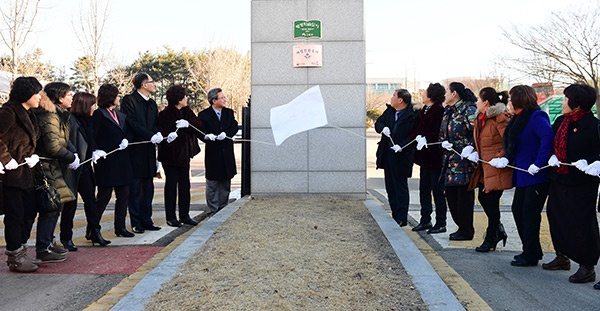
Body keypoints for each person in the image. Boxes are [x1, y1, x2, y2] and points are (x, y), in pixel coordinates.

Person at [490, 85, 553, 267]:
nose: (508, 102)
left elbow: (547, 138)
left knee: (529, 215)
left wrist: (539, 163)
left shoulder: (536, 116)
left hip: (535, 174)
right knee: (518, 210)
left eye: (511, 98)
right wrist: (505, 158)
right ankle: (531, 249)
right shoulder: (517, 119)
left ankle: (531, 253)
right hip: (523, 174)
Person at [543, 83, 600, 284]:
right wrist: (551, 157)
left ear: (577, 104)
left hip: (582, 182)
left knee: (582, 222)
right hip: (560, 177)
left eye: (566, 99)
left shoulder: (593, 125)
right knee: (556, 216)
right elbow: (552, 143)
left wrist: (593, 162)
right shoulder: (560, 121)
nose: (563, 102)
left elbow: (597, 152)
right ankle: (562, 256)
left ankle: (587, 265)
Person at [0, 77, 42, 272]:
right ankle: (14, 257)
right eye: (36, 93)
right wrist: (6, 158)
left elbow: (32, 141)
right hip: (10, 175)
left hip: (26, 171)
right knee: (15, 215)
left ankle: (22, 251)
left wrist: (34, 156)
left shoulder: (30, 114)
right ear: (27, 94)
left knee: (28, 212)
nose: (40, 97)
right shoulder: (8, 112)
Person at [33, 82, 79, 261]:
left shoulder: (59, 115)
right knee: (50, 205)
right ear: (60, 97)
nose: (72, 98)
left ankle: (49, 241)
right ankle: (43, 247)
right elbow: (53, 146)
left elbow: (64, 142)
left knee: (55, 205)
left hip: (54, 166)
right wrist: (70, 157)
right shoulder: (50, 115)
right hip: (46, 167)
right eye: (69, 95)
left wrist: (72, 154)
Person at [468, 87, 512, 252]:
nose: (476, 102)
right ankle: (497, 231)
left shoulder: (499, 118)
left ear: (485, 102)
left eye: (478, 99)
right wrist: (472, 151)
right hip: (485, 166)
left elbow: (508, 142)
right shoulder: (482, 118)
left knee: (491, 201)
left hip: (496, 166)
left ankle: (491, 236)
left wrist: (501, 157)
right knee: (484, 198)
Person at [120, 72, 163, 234]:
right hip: (135, 149)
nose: (154, 84)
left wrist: (157, 133)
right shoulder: (129, 100)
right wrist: (149, 135)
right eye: (152, 81)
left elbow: (155, 123)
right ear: (144, 85)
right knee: (136, 188)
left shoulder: (152, 104)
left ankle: (147, 219)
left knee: (149, 187)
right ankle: (136, 221)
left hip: (149, 150)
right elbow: (131, 122)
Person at [68, 92, 111, 246]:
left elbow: (92, 140)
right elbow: (69, 141)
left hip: (85, 166)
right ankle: (66, 237)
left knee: (91, 201)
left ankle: (94, 231)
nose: (95, 107)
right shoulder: (71, 120)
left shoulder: (90, 120)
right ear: (85, 105)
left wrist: (95, 150)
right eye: (92, 104)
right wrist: (73, 155)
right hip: (72, 167)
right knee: (70, 204)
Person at [93, 84, 135, 238]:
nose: (119, 98)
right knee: (104, 197)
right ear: (110, 96)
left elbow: (128, 131)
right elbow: (93, 136)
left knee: (124, 195)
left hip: (123, 160)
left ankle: (120, 227)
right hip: (107, 161)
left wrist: (126, 139)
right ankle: (93, 228)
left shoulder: (119, 114)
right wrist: (96, 150)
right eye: (117, 95)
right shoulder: (99, 114)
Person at [157, 85, 202, 227]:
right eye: (184, 96)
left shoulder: (187, 112)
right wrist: (168, 137)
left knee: (185, 185)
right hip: (170, 156)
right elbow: (162, 133)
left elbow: (198, 125)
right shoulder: (165, 114)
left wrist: (188, 124)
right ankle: (171, 217)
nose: (186, 98)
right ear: (178, 99)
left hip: (185, 155)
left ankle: (185, 215)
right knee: (171, 185)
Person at [439, 82, 478, 241]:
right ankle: (461, 227)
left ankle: (466, 230)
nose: (445, 95)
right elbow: (443, 132)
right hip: (449, 162)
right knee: (451, 197)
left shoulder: (468, 110)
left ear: (454, 93)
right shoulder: (448, 111)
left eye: (447, 91)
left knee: (463, 200)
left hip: (464, 163)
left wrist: (469, 148)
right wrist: (443, 142)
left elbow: (476, 134)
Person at [409, 83, 448, 233]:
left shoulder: (439, 111)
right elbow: (416, 128)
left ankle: (441, 222)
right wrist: (417, 137)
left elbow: (439, 132)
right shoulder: (424, 110)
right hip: (424, 156)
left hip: (435, 156)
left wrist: (427, 138)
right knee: (424, 189)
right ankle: (425, 219)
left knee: (437, 191)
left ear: (431, 95)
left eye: (425, 92)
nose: (423, 94)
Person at [375, 89, 416, 227]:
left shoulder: (412, 115)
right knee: (390, 187)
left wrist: (402, 146)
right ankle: (394, 214)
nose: (391, 98)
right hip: (387, 155)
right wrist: (383, 128)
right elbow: (378, 123)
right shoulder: (390, 111)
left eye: (394, 96)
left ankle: (402, 217)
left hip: (402, 157)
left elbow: (412, 136)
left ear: (400, 100)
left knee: (400, 187)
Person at [198, 88, 238, 214]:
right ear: (214, 100)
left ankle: (223, 207)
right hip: (213, 152)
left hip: (226, 150)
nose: (225, 99)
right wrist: (207, 136)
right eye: (222, 98)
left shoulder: (229, 113)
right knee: (213, 182)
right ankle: (213, 208)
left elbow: (234, 126)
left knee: (225, 180)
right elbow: (200, 131)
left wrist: (226, 134)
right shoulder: (204, 115)